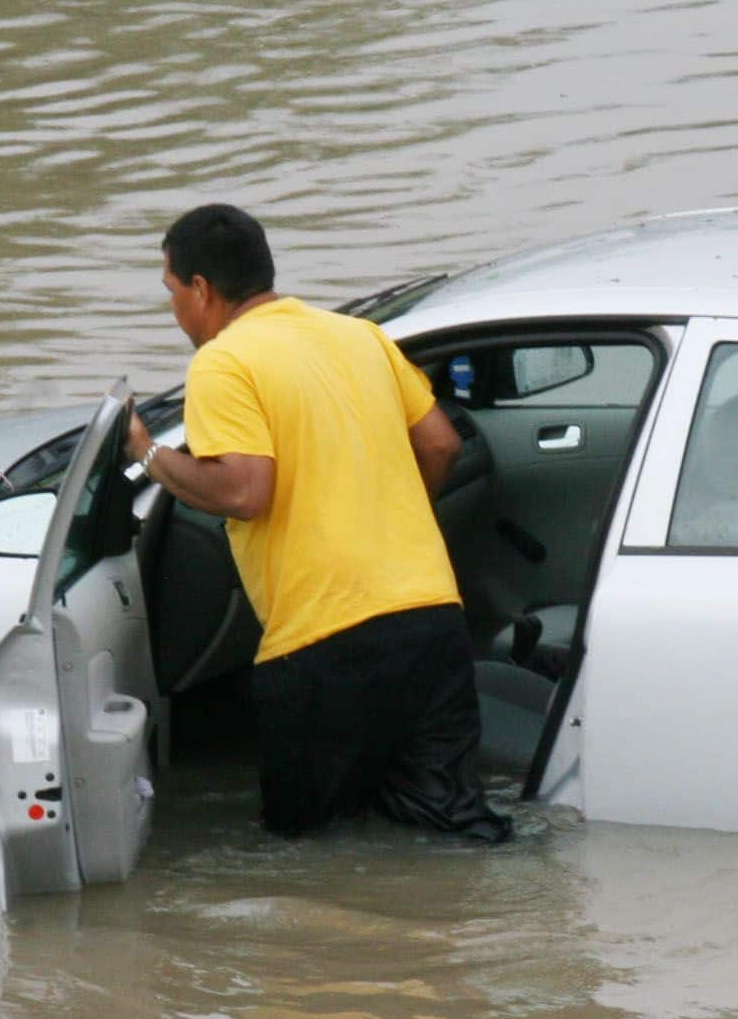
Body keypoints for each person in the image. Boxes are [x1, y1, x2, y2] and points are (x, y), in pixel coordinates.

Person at [125, 204, 511, 844]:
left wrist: (148, 453)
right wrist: (389, 519)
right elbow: (441, 445)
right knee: (454, 828)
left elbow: (245, 491)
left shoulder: (226, 362)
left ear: (201, 289)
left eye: (171, 291)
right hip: (430, 620)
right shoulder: (360, 336)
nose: (174, 309)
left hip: (324, 642)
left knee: (307, 851)